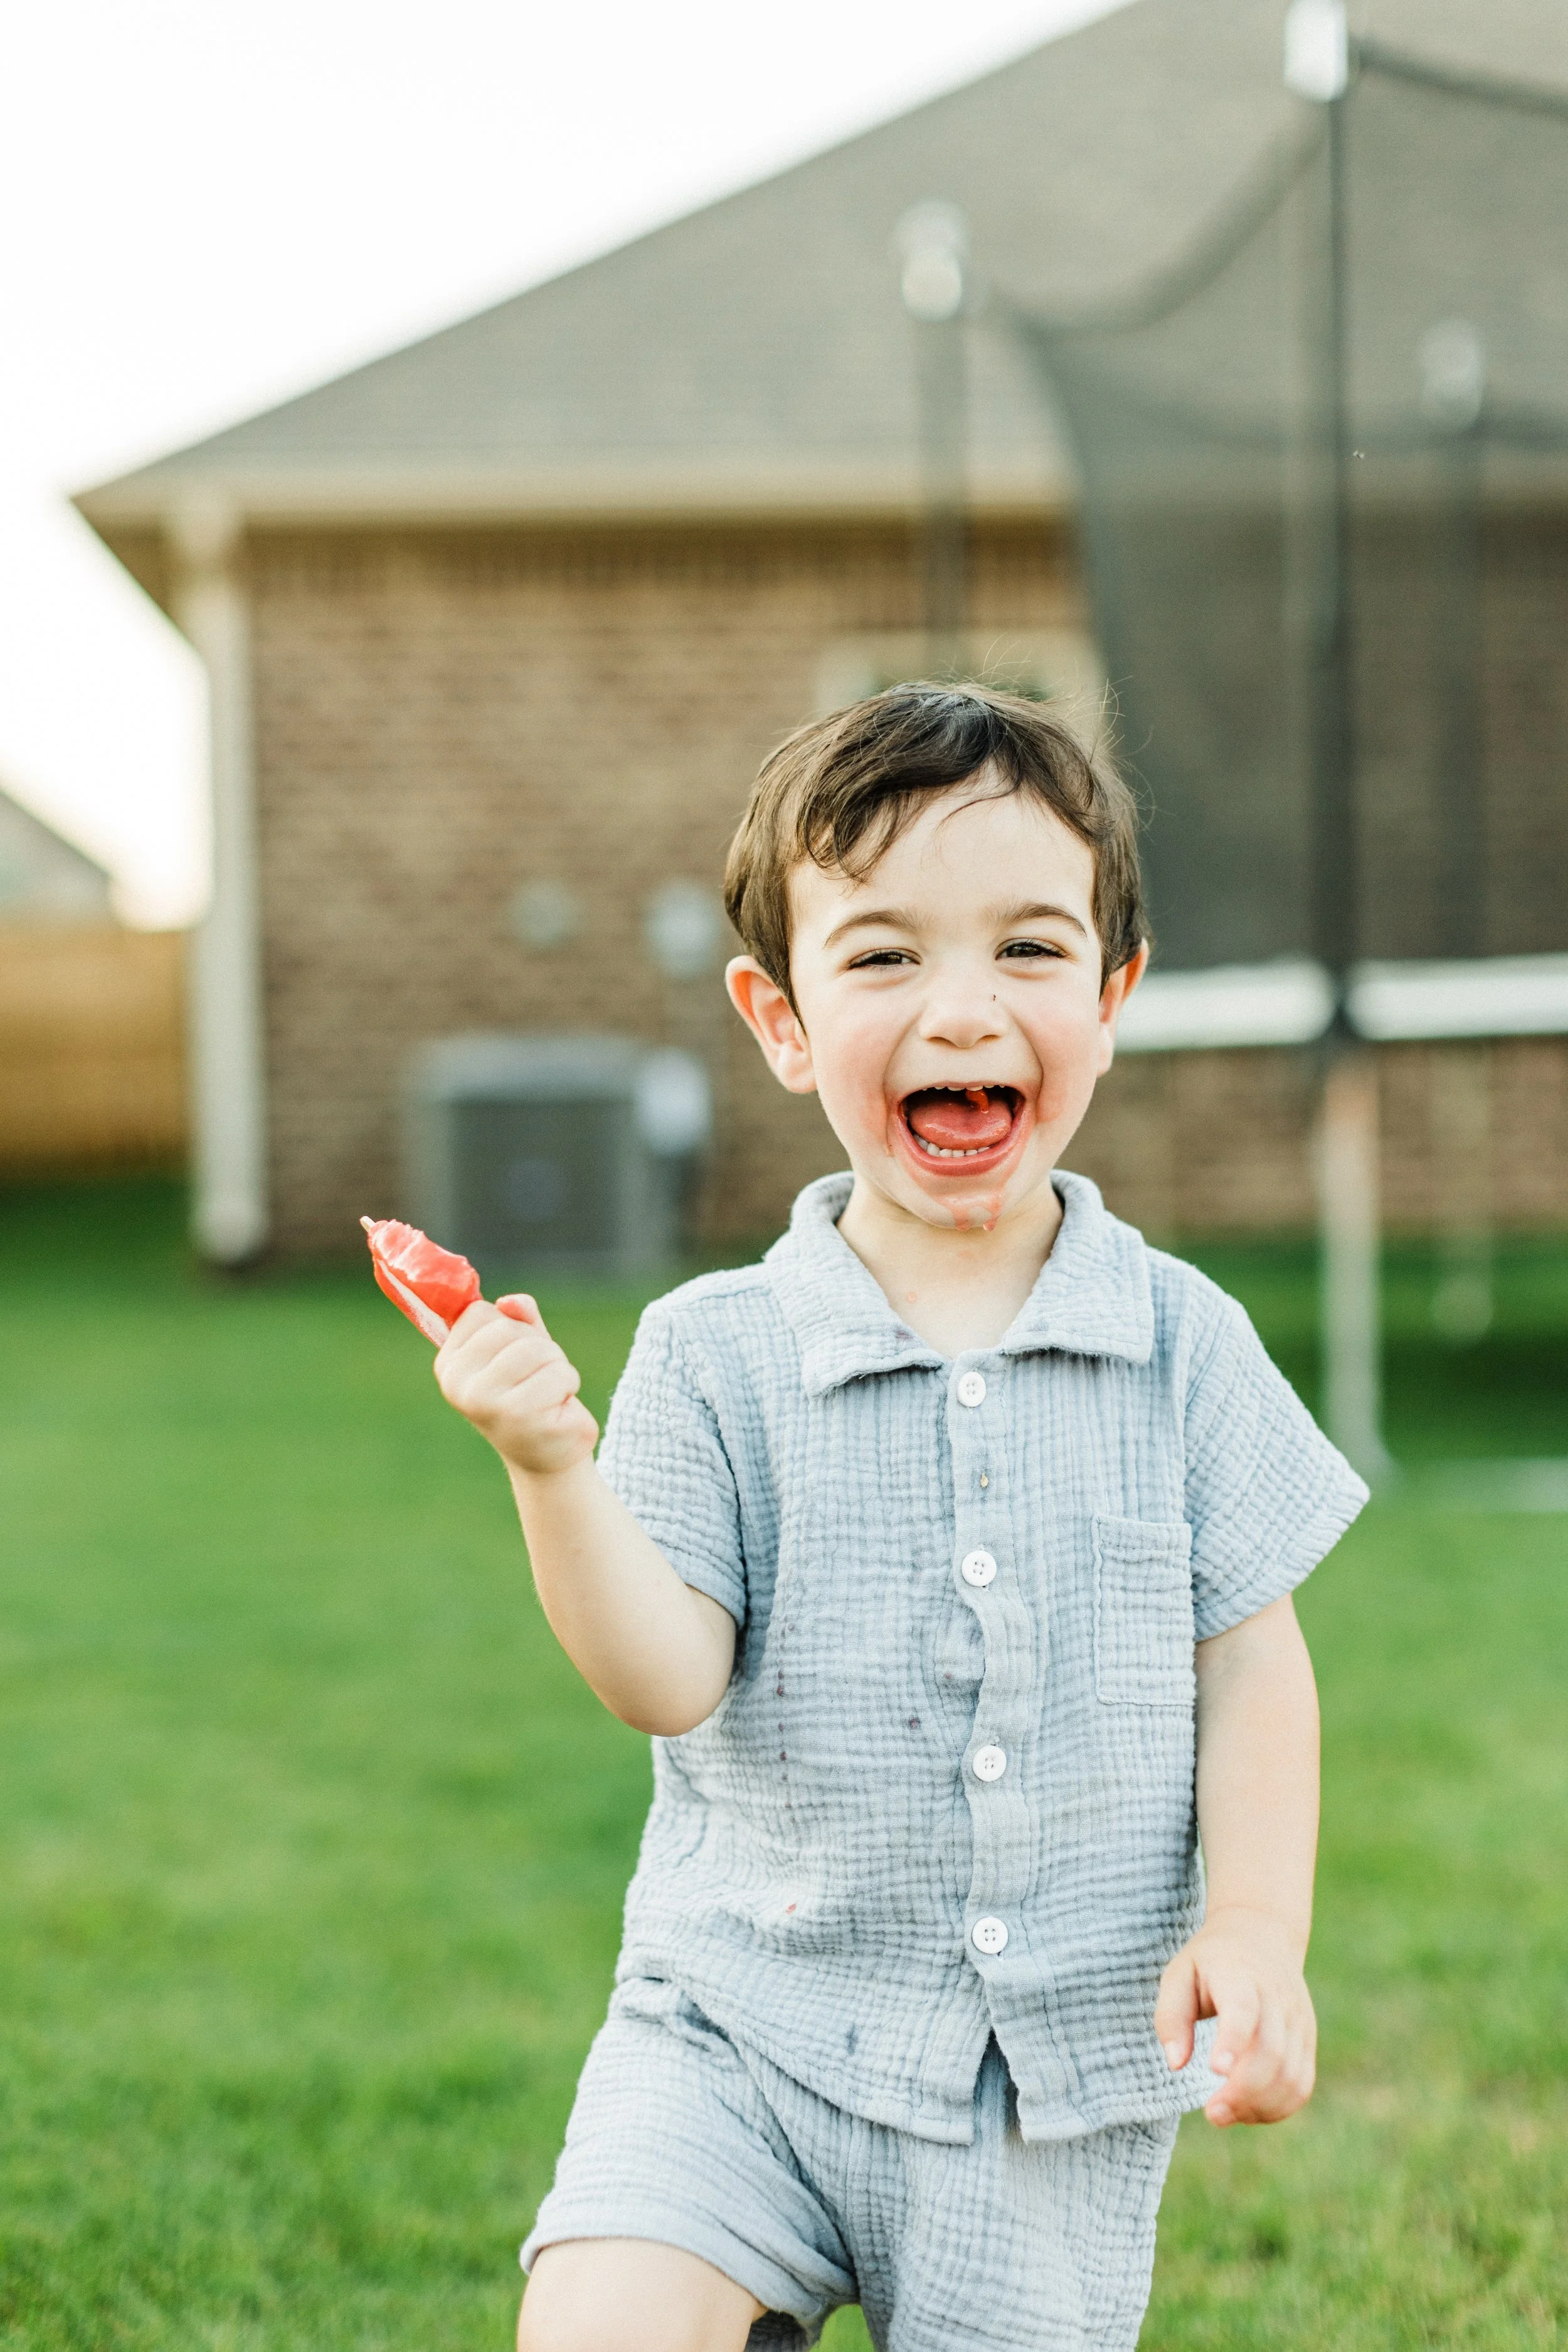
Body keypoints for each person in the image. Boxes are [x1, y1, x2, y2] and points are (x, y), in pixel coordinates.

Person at [435, 685, 1368, 2351]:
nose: (959, 1009)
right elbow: (661, 1677)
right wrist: (550, 1469)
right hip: (743, 2028)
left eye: (1025, 948)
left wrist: (1254, 1925)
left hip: (1051, 2083)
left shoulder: (1183, 1341)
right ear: (780, 1018)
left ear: (1112, 993)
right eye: (879, 955)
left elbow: (1252, 1667)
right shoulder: (711, 1351)